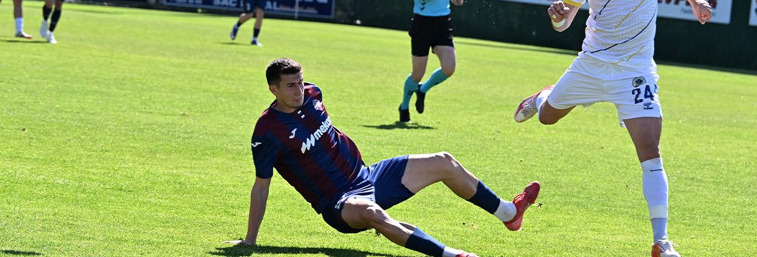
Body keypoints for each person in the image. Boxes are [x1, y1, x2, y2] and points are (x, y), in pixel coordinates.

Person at [512, 0, 712, 257]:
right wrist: (557, 15)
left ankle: (661, 241)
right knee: (546, 119)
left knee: (650, 152)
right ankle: (543, 97)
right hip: (590, 66)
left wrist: (694, 1)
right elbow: (564, 23)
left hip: (634, 73)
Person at [227, 58, 540, 257]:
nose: (300, 89)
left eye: (301, 81)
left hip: (368, 176)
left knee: (444, 161)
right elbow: (261, 186)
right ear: (273, 89)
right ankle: (450, 255)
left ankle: (508, 213)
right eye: (291, 86)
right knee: (375, 214)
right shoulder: (267, 131)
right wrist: (250, 240)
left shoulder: (314, 94)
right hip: (339, 204)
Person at [396, 0, 465, 123]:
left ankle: (423, 90)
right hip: (422, 24)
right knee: (417, 73)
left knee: (449, 68)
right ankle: (404, 106)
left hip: (443, 23)